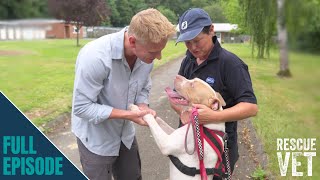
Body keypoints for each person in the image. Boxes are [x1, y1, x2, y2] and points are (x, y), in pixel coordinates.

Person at [71, 8, 176, 180]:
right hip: (96, 140)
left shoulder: (145, 57)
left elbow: (143, 87)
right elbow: (82, 108)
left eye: (160, 50)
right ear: (133, 41)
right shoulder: (95, 57)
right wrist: (129, 115)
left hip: (124, 136)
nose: (159, 57)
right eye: (153, 52)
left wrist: (142, 106)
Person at [170, 8, 258, 176]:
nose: (192, 47)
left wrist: (213, 116)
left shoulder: (230, 64)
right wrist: (186, 111)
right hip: (188, 143)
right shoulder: (187, 61)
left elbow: (251, 107)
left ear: (211, 30)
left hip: (218, 148)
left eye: (197, 41)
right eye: (187, 42)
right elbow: (176, 97)